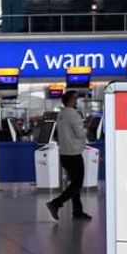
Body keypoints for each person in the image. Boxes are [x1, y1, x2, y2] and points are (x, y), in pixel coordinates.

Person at [45, 90, 92, 221]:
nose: (77, 101)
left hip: (64, 153)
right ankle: (55, 203)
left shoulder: (61, 114)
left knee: (74, 183)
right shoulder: (73, 114)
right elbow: (80, 133)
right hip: (74, 154)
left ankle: (77, 211)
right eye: (75, 98)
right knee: (77, 184)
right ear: (71, 100)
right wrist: (87, 127)